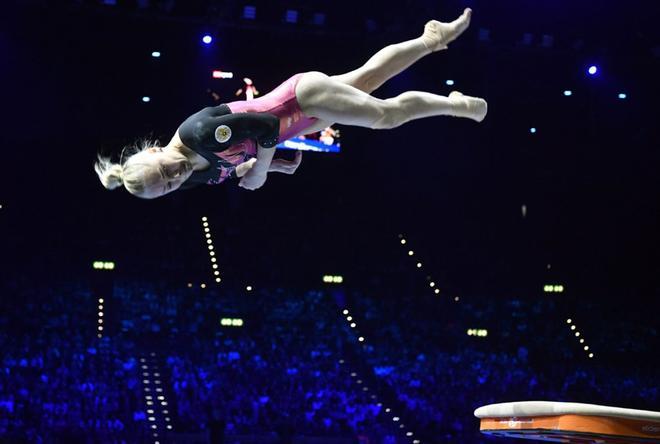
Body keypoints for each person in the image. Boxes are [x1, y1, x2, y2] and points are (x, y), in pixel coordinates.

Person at [95, 8, 486, 198]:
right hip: (303, 122)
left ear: (154, 150)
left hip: (302, 96)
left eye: (163, 172)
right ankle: (431, 39)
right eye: (165, 188)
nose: (172, 179)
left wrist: (262, 172)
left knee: (385, 117)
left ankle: (454, 104)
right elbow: (245, 157)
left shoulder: (198, 133)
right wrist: (276, 167)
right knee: (370, 77)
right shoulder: (192, 176)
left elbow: (264, 128)